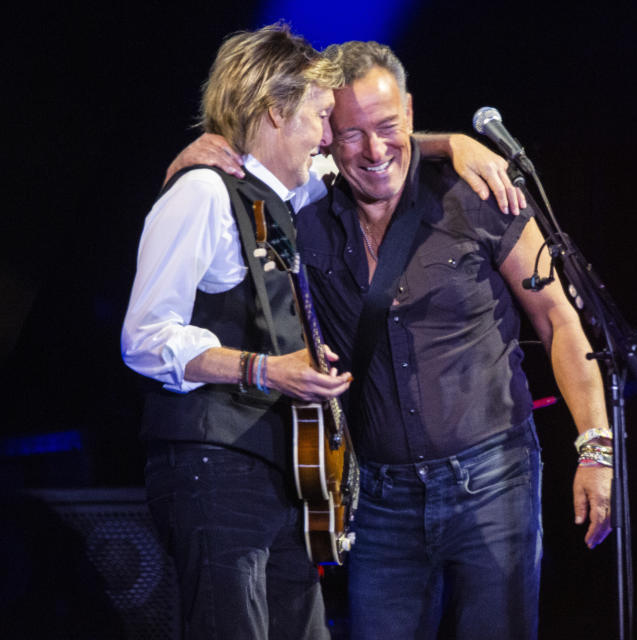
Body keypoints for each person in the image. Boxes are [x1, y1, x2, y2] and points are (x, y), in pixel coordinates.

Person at [123, 24, 527, 640]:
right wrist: (262, 369)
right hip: (209, 465)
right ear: (274, 115)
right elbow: (144, 338)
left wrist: (451, 144)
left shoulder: (289, 193)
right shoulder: (204, 191)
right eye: (318, 118)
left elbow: (376, 150)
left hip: (273, 474)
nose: (327, 137)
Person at [291, 41, 613, 639]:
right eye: (351, 133)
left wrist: (596, 448)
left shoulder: (482, 193)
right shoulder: (305, 206)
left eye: (388, 126)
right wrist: (202, 153)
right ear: (326, 135)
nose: (374, 149)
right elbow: (238, 167)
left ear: (410, 112)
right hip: (380, 503)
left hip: (494, 485)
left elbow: (559, 320)